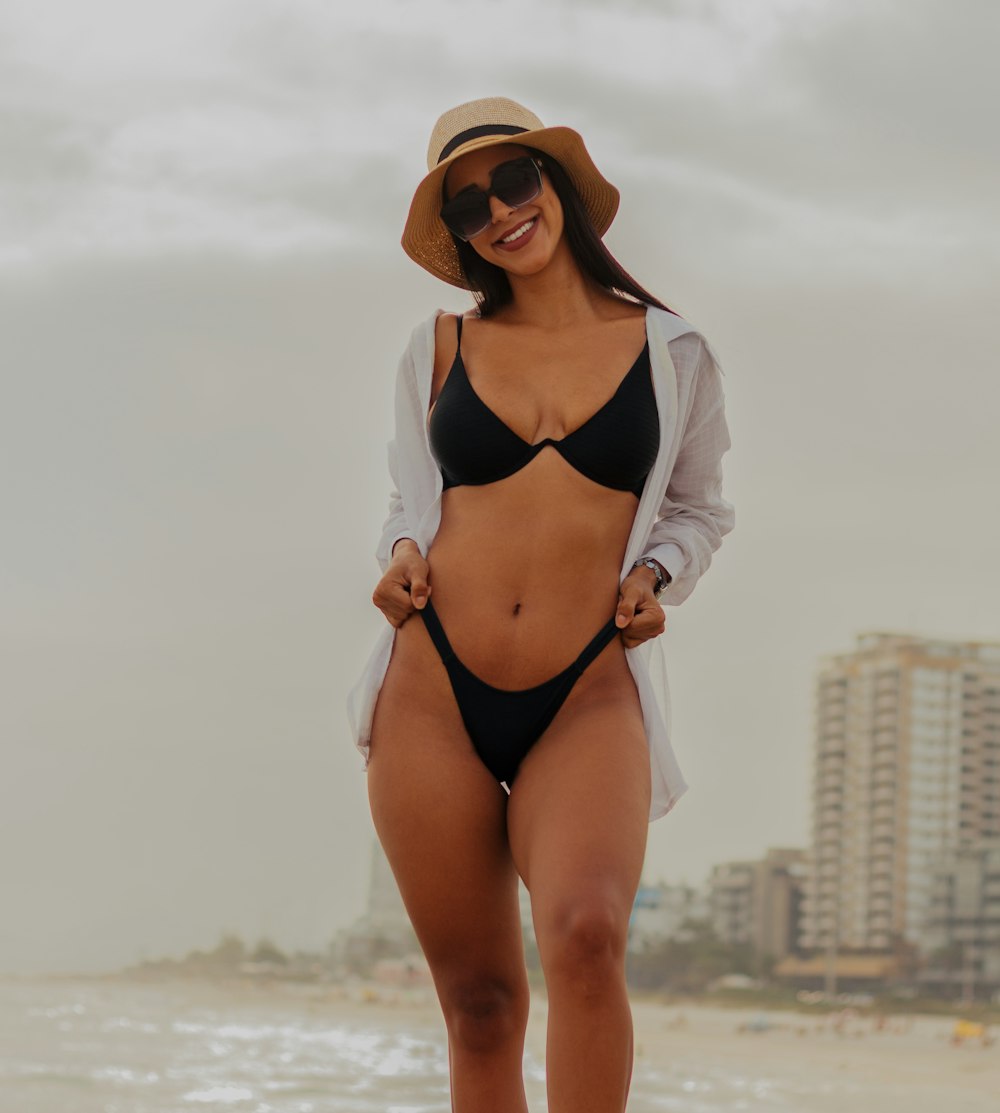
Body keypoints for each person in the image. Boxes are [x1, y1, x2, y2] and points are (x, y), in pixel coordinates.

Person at [347, 96, 734, 1113]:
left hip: (585, 691)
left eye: (514, 180)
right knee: (479, 1006)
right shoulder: (435, 347)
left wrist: (656, 579)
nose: (501, 211)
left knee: (588, 935)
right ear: (462, 235)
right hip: (433, 690)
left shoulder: (672, 352)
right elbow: (408, 501)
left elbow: (696, 509)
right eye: (470, 205)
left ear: (553, 181)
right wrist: (395, 556)